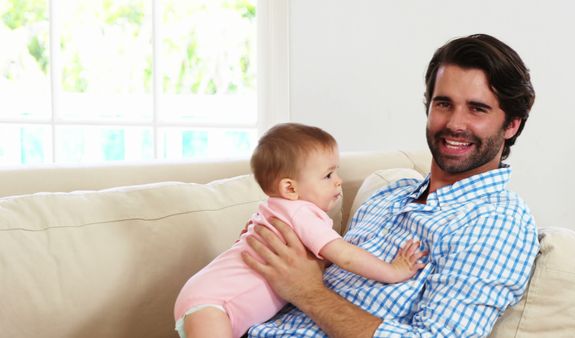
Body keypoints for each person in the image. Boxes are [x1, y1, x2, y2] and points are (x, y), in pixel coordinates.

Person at [242, 33, 541, 337]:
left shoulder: (498, 222)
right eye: (443, 104)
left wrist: (308, 292)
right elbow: (322, 270)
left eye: (477, 108)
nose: (454, 123)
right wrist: (273, 247)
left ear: (512, 124)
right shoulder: (388, 194)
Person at [173, 123, 426, 338]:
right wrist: (393, 271)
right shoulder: (299, 213)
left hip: (208, 299)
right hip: (213, 303)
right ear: (290, 189)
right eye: (328, 175)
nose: (338, 180)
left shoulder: (278, 211)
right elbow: (345, 255)